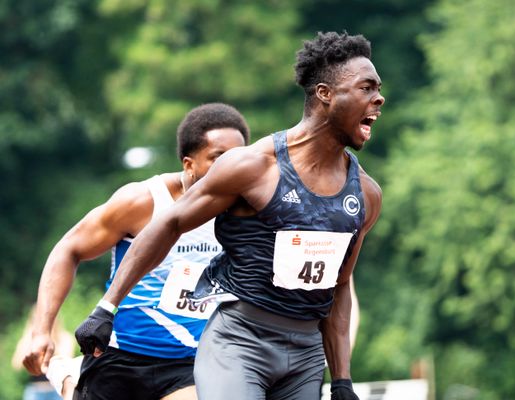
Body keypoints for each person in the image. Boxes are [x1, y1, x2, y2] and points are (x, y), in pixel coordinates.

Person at [76, 31, 384, 400]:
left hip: (305, 356)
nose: (379, 98)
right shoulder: (252, 167)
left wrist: (343, 380)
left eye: (378, 89)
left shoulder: (365, 195)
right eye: (367, 88)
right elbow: (171, 223)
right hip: (240, 341)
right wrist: (106, 307)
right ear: (325, 94)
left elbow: (338, 287)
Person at [23, 103, 250, 400]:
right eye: (218, 158)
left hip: (194, 360)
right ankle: (70, 377)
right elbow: (69, 249)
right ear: (188, 163)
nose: (230, 169)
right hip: (120, 355)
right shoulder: (143, 201)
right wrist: (42, 330)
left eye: (238, 158)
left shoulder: (248, 208)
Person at [12, 305, 75, 400]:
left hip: (56, 390)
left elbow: (67, 362)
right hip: (34, 391)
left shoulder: (65, 338)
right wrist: (29, 338)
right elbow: (16, 365)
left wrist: (52, 338)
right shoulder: (28, 340)